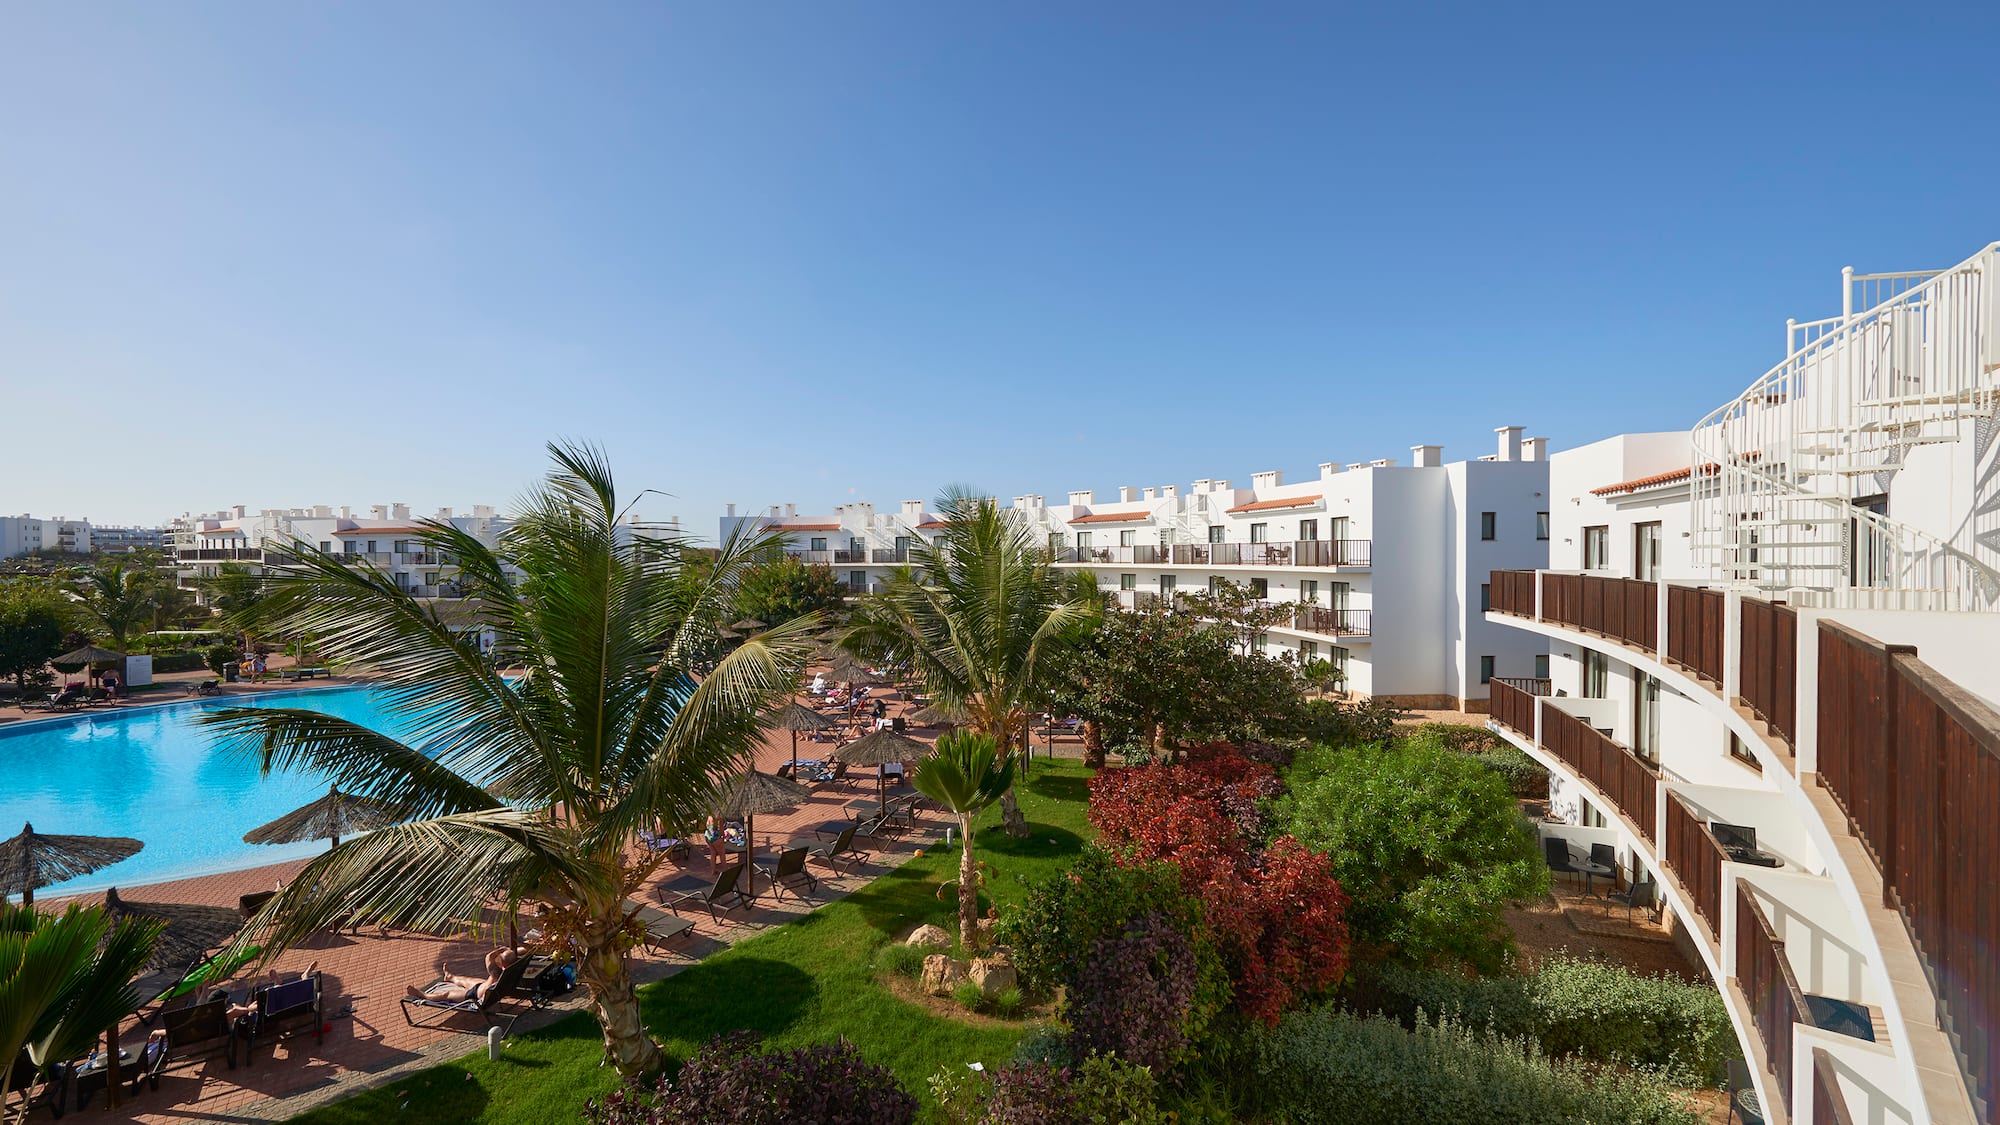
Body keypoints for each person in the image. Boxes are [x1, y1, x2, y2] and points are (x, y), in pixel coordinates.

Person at [407, 948, 516, 1003]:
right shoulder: (513, 970)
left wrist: (499, 950)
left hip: (476, 994)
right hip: (486, 988)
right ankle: (451, 977)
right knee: (467, 980)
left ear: (501, 962)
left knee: (446, 994)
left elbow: (488, 957)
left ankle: (421, 994)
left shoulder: (495, 972)